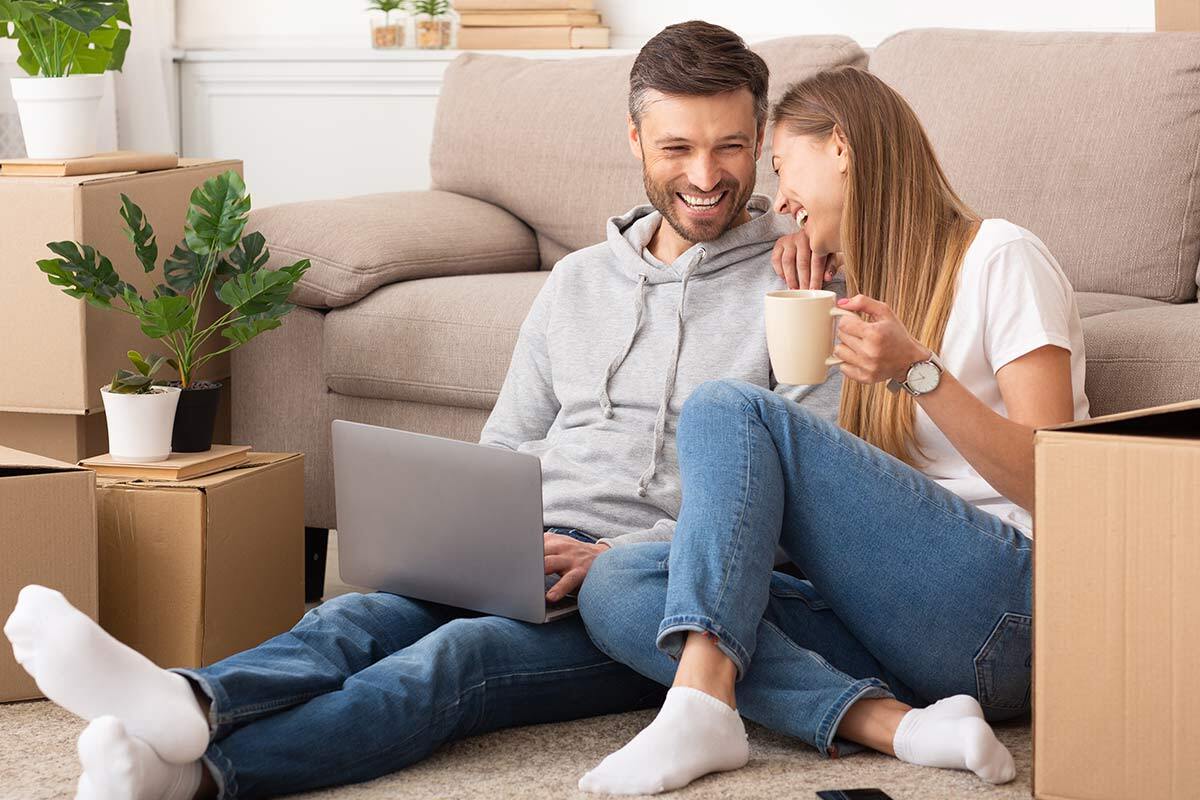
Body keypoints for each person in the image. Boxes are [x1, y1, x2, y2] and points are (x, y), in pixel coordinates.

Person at [2, 22, 843, 800]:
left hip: (651, 598)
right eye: (678, 148)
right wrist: (486, 546)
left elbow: (796, 493)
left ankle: (199, 773)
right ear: (634, 143)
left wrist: (618, 555)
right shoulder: (581, 281)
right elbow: (508, 443)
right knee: (354, 618)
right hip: (523, 554)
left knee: (452, 661)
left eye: (731, 146)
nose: (705, 176)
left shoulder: (799, 283)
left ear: (762, 141)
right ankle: (189, 703)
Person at [576, 64, 1089, 796]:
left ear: (841, 149)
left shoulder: (1001, 257)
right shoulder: (869, 292)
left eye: (783, 166)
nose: (779, 199)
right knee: (618, 582)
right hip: (906, 634)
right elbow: (836, 499)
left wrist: (919, 373)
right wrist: (819, 303)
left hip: (1013, 610)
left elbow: (1061, 484)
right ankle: (900, 726)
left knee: (727, 404)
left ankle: (699, 707)